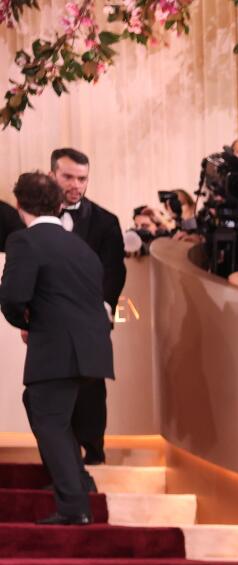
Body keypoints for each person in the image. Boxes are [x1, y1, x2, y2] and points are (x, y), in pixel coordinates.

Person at [2, 171, 114, 525]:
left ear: (20, 205)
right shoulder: (79, 245)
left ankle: (74, 506)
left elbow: (13, 297)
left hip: (58, 348)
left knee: (49, 419)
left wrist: (26, 323)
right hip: (92, 348)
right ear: (57, 202)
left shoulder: (25, 241)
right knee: (43, 408)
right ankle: (81, 481)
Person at [48, 149, 123, 466]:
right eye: (68, 177)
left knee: (91, 390)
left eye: (82, 178)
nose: (76, 184)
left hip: (91, 321)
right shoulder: (35, 221)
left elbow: (114, 270)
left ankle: (93, 452)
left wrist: (104, 308)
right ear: (53, 175)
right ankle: (59, 458)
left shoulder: (106, 222)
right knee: (51, 390)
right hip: (50, 323)